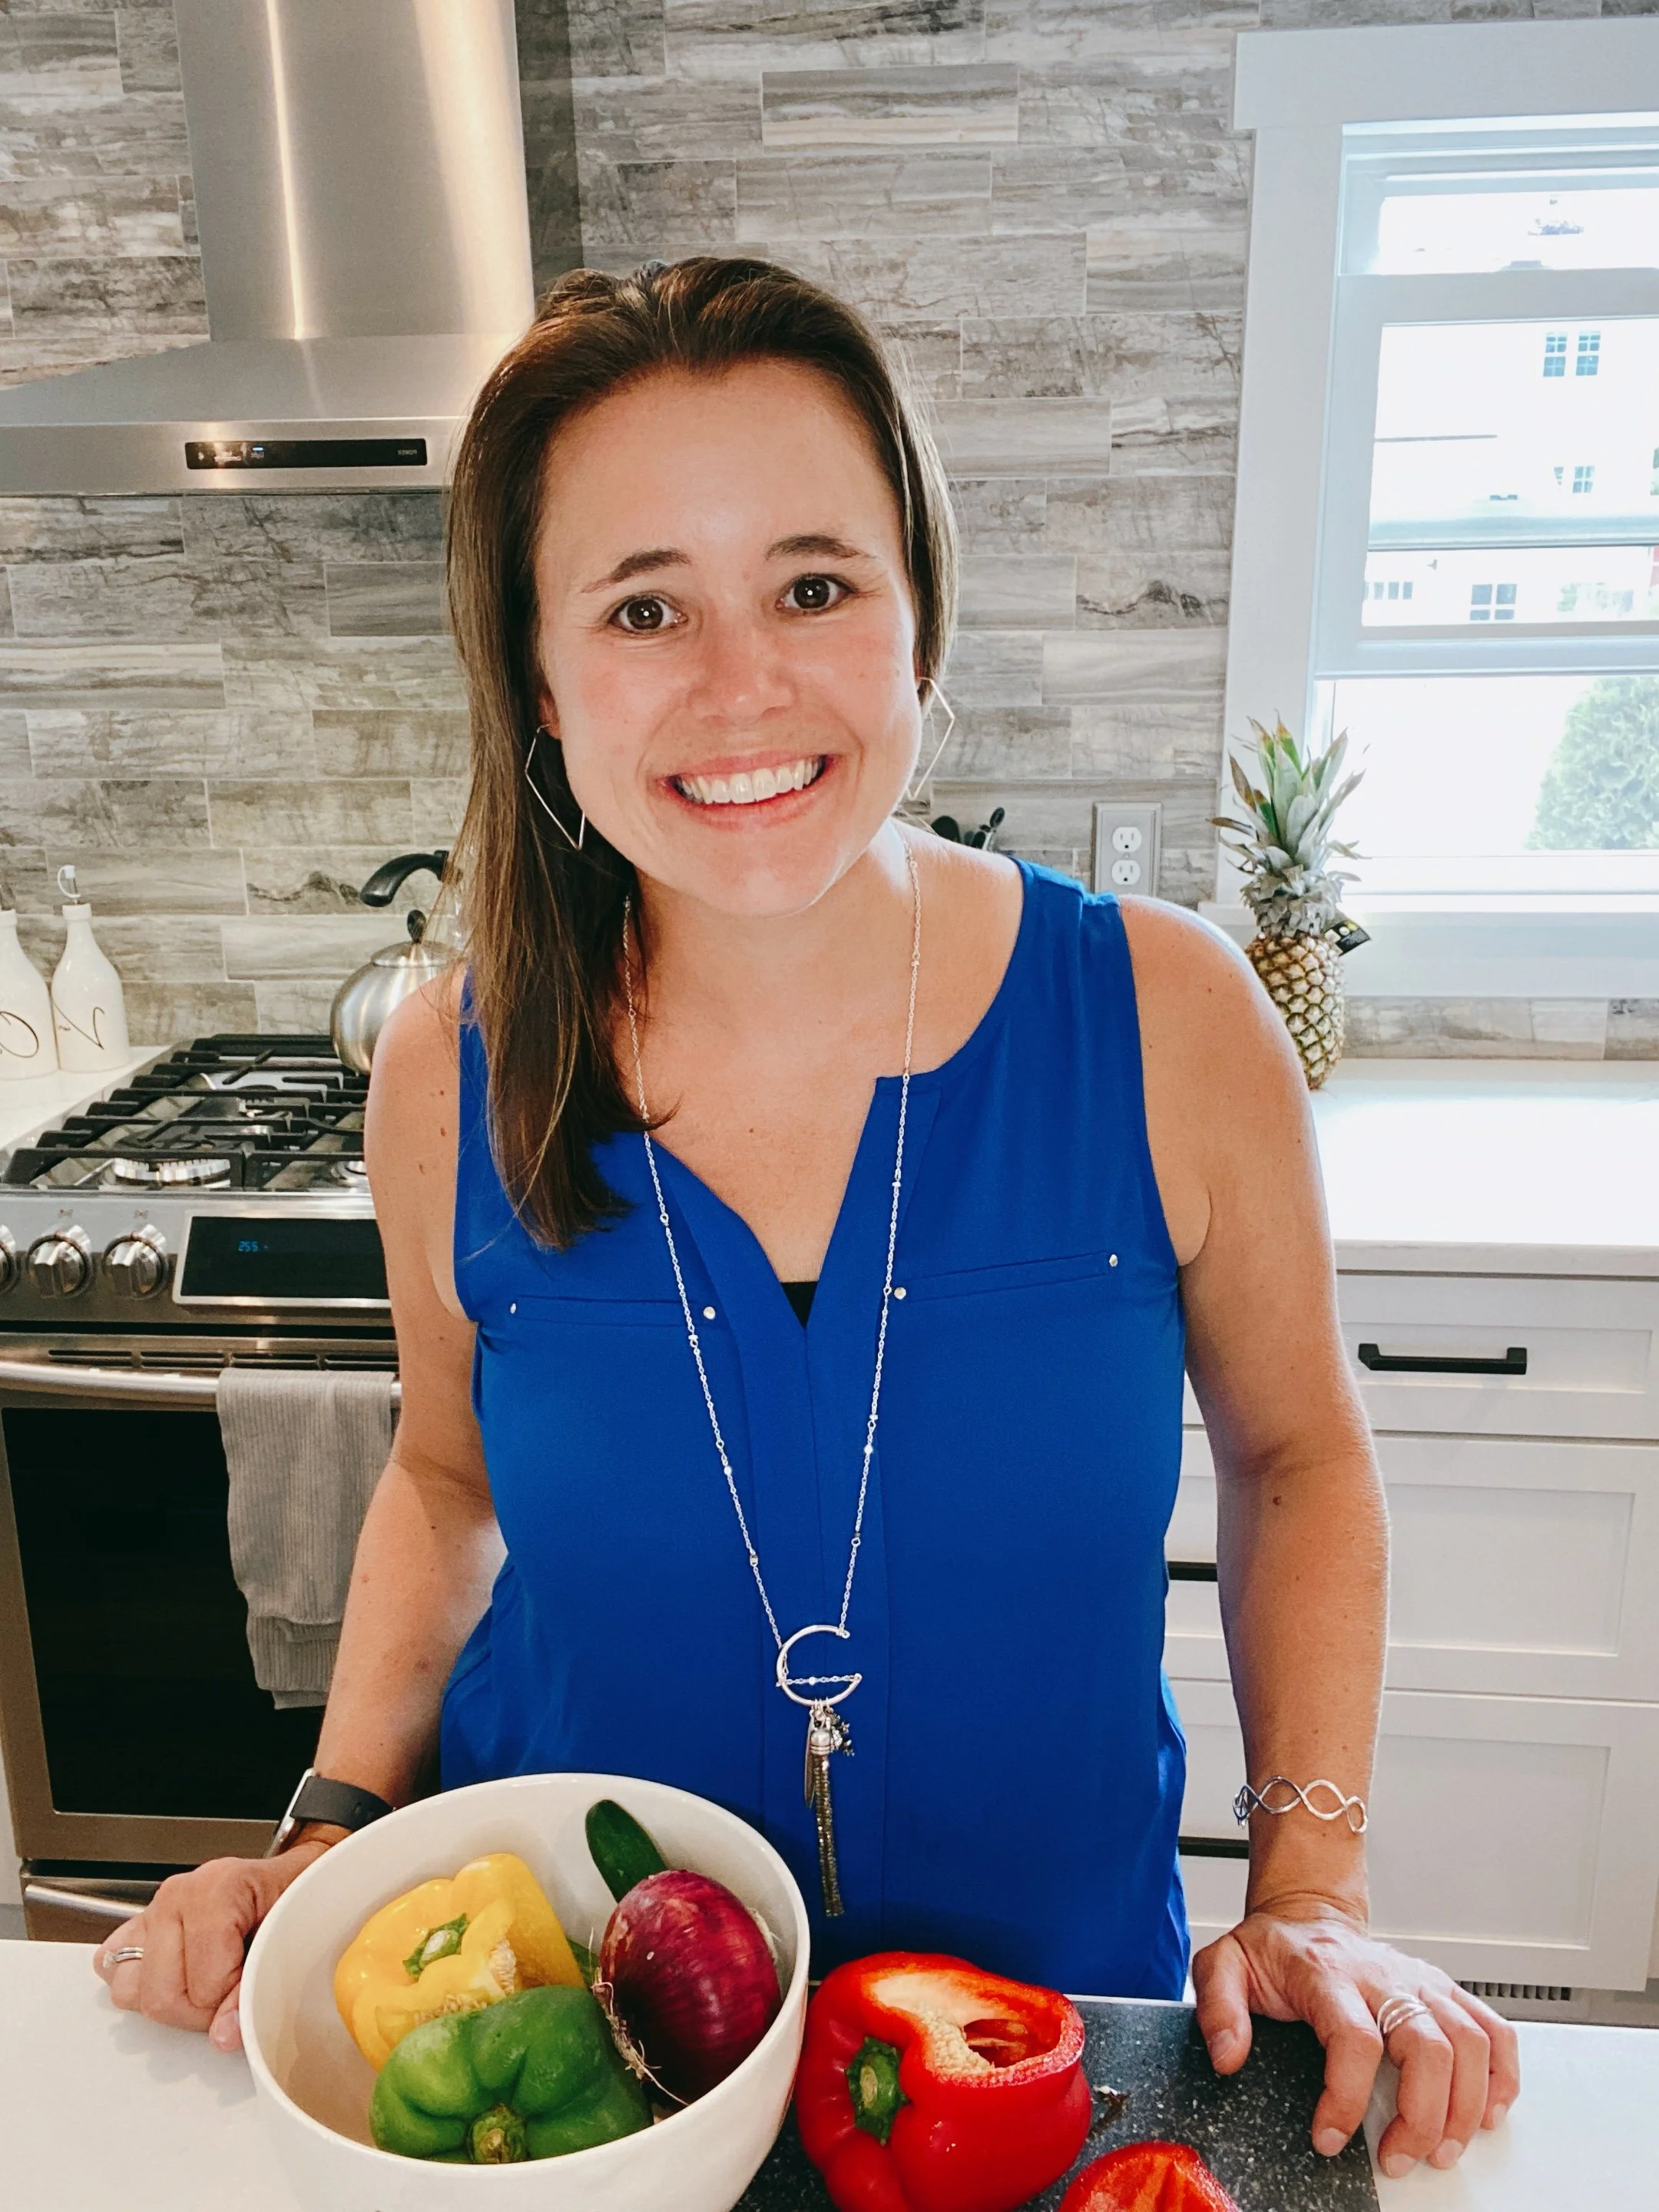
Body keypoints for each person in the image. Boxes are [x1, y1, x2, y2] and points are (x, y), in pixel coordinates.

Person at [96, 257, 1516, 2177]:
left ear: (919, 622)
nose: (742, 683)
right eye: (645, 606)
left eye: (817, 585)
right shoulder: (452, 1063)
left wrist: (1316, 1886)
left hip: (1051, 2036)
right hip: (574, 2060)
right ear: (537, 670)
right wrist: (332, 1827)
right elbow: (441, 1476)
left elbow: (1297, 1456)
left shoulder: (1168, 1022)